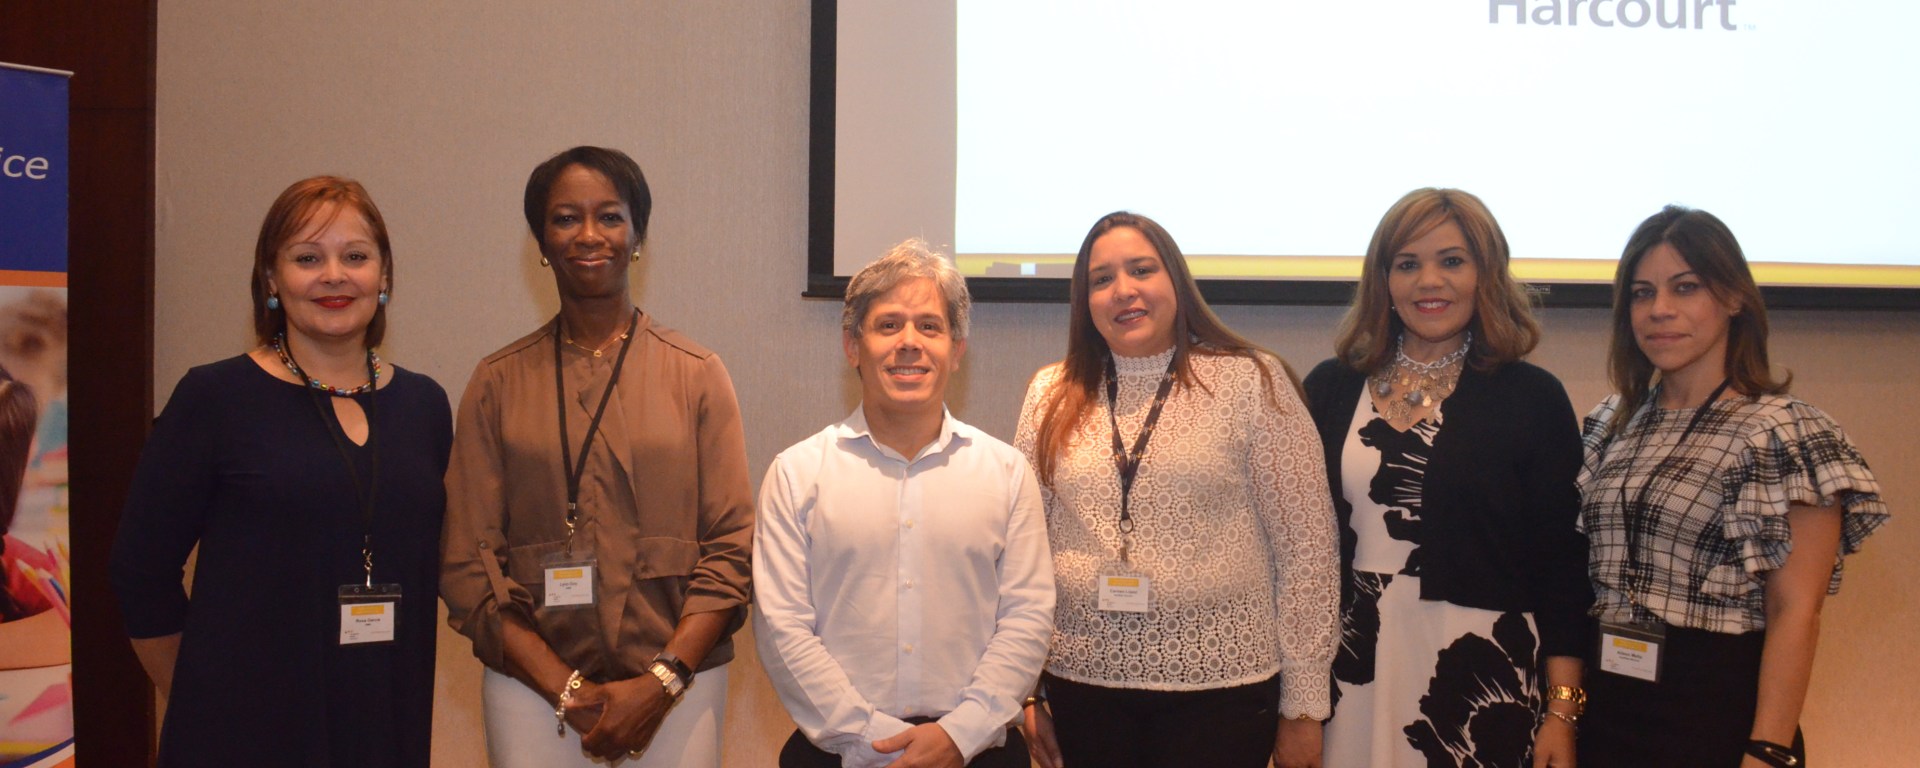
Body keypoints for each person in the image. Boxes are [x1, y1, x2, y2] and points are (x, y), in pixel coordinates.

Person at [110, 176, 451, 767]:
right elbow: (139, 570)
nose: (334, 276)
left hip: (383, 719)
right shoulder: (215, 397)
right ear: (271, 279)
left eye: (356, 256)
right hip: (245, 734)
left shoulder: (425, 405)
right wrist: (202, 699)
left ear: (384, 275)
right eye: (307, 258)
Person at [440, 146, 753, 768]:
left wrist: (661, 683)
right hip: (532, 692)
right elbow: (468, 564)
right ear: (541, 241)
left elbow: (731, 548)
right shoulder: (497, 383)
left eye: (610, 216)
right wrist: (567, 692)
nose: (589, 235)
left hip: (679, 686)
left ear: (638, 236)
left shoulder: (697, 374)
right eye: (565, 219)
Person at [1014, 211, 1338, 768]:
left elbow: (1308, 552)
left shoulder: (1252, 381)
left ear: (1177, 281)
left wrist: (1304, 709)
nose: (1123, 290)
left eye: (1142, 269)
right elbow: (1020, 553)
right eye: (1101, 279)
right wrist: (1025, 691)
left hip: (1224, 690)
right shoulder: (1050, 393)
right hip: (1080, 687)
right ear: (1084, 302)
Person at [1575, 206, 1887, 768]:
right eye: (1642, 293)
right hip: (1607, 707)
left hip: (1714, 711)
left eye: (1685, 287)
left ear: (1735, 297)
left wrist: (1767, 749)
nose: (1660, 309)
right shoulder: (1610, 422)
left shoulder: (1784, 432)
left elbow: (1795, 610)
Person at [1302, 188, 1590, 768]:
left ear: (1486, 274)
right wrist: (1297, 702)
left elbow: (1560, 564)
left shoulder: (1532, 396)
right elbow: (1300, 552)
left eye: (1452, 261)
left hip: (1479, 670)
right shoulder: (1330, 386)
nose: (1428, 281)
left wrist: (1562, 711)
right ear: (1383, 280)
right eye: (1407, 264)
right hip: (1349, 660)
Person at [755, 239, 1055, 768]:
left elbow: (1027, 619)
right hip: (839, 753)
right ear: (853, 346)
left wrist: (958, 736)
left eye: (930, 326)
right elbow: (784, 630)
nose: (909, 343)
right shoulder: (796, 474)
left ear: (956, 350)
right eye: (888, 325)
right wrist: (872, 741)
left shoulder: (1006, 473)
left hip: (976, 752)